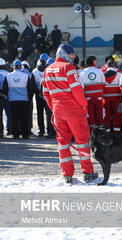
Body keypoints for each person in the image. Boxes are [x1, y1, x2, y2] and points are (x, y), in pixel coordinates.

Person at [42, 44, 98, 183]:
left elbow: (46, 94)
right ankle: (88, 172)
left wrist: (54, 109)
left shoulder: (47, 70)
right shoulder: (69, 68)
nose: (73, 57)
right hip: (74, 111)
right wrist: (84, 105)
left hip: (58, 112)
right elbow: (77, 90)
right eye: (71, 54)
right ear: (64, 54)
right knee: (82, 141)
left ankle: (67, 174)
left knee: (63, 143)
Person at [5, 60, 35, 139]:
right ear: (20, 67)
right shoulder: (25, 76)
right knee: (24, 118)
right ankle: (25, 135)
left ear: (13, 67)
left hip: (12, 100)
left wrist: (8, 96)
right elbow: (29, 89)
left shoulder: (8, 76)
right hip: (23, 100)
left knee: (14, 118)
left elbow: (5, 89)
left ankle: (15, 134)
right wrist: (29, 98)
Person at [79, 55, 106, 130]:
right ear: (93, 62)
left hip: (88, 98)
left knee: (91, 116)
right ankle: (101, 133)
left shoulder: (82, 73)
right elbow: (103, 83)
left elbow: (81, 87)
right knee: (99, 115)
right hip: (99, 97)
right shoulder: (99, 71)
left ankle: (92, 134)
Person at [32, 53, 55, 137]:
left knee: (42, 114)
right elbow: (34, 84)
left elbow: (33, 84)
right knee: (48, 113)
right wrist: (39, 93)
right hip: (45, 95)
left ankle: (43, 130)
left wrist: (38, 93)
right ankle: (48, 130)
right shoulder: (48, 71)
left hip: (41, 95)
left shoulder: (35, 71)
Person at [103, 59, 122, 134]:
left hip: (106, 99)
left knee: (107, 115)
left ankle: (108, 131)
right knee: (117, 114)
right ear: (114, 66)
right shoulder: (119, 75)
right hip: (117, 99)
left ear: (107, 65)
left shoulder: (102, 74)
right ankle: (116, 131)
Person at [0, 58, 10, 138]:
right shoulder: (8, 74)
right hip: (7, 97)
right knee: (8, 114)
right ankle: (9, 129)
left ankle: (0, 131)